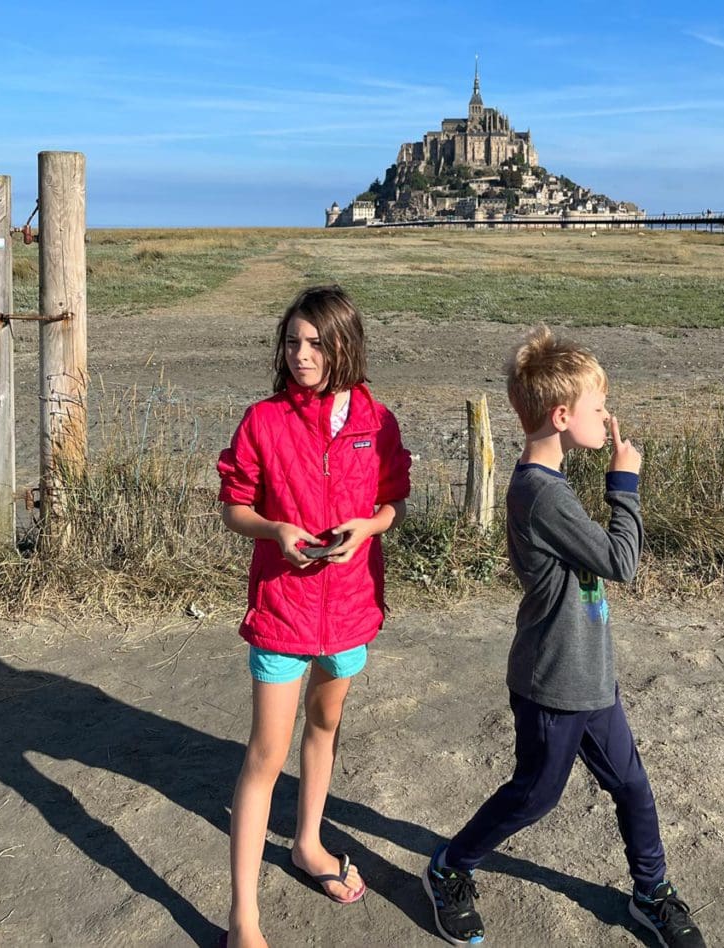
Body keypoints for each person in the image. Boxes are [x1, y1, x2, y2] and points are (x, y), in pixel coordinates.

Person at [423, 326, 706, 948]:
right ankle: (450, 866)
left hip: (590, 673)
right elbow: (622, 562)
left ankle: (651, 891)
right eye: (599, 408)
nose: (608, 419)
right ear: (560, 415)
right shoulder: (539, 493)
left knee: (631, 784)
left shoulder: (549, 484)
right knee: (534, 795)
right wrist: (625, 481)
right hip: (553, 680)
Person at [217, 285, 411, 948]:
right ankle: (244, 919)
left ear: (344, 346)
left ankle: (306, 843)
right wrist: (274, 530)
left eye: (316, 343)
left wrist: (369, 527)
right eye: (293, 342)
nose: (302, 355)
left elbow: (394, 503)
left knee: (325, 729)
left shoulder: (377, 423)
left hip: (352, 609)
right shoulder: (263, 422)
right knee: (266, 755)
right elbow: (234, 507)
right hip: (283, 612)